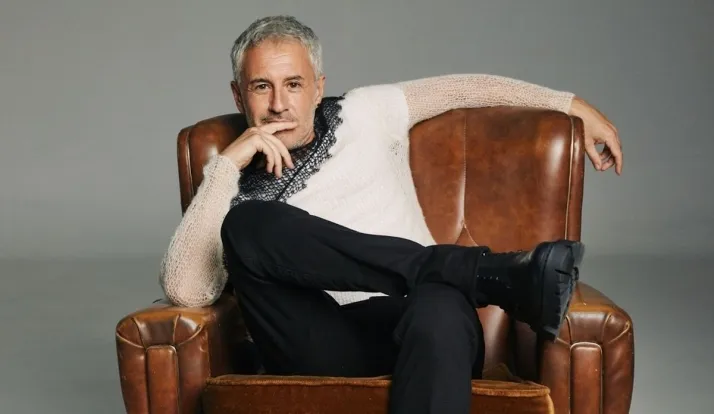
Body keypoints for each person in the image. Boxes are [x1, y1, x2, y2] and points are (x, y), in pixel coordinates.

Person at [159, 15, 623, 414]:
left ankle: (454, 275)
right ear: (238, 96)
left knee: (440, 302)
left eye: (294, 84)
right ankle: (487, 274)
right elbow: (186, 289)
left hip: (422, 318)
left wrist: (571, 105)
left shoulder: (366, 112)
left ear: (318, 88)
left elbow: (467, 88)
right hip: (321, 343)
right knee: (248, 224)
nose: (279, 104)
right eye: (262, 87)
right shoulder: (230, 186)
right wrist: (226, 167)